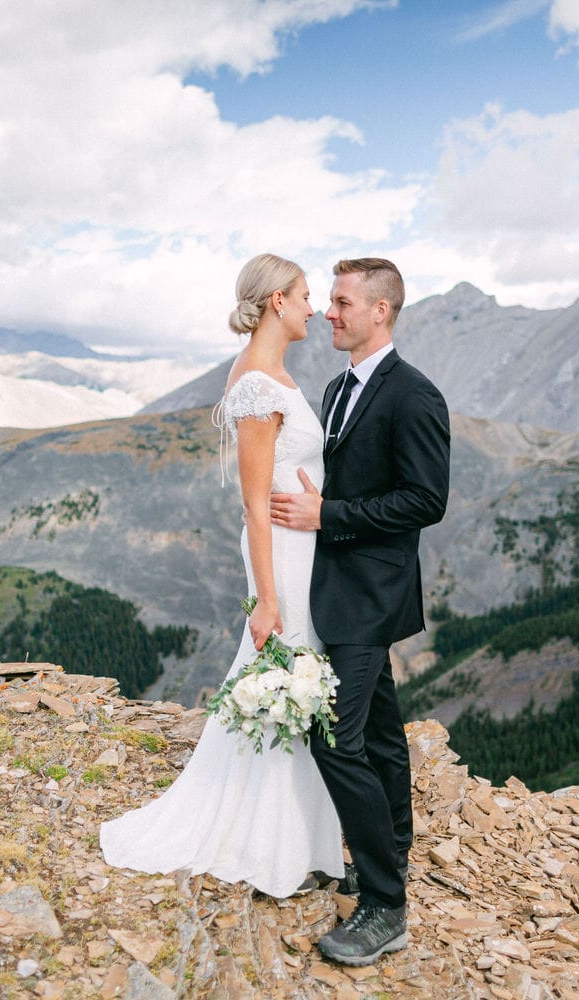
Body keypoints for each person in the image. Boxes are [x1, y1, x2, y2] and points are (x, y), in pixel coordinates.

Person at [99, 253, 345, 897]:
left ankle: (297, 829)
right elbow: (254, 504)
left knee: (295, 682)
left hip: (302, 547)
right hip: (283, 559)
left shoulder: (271, 375)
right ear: (276, 304)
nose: (315, 308)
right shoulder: (260, 385)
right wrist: (267, 598)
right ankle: (270, 837)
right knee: (288, 676)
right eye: (305, 296)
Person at [270, 257, 450, 965]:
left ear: (381, 311)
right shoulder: (338, 386)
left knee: (333, 741)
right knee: (376, 736)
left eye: (342, 303)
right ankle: (393, 854)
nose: (328, 314)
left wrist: (329, 514)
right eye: (330, 301)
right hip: (334, 590)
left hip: (371, 597)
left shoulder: (414, 396)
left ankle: (385, 906)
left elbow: (425, 500)